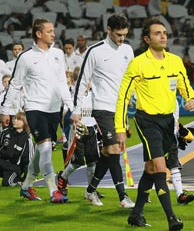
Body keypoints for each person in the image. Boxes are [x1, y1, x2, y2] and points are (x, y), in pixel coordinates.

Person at [115, 18, 191, 230]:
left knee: (150, 169)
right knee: (160, 167)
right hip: (147, 121)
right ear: (147, 39)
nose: (163, 36)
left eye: (165, 32)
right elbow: (123, 97)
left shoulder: (175, 61)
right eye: (158, 33)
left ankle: (136, 214)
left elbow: (185, 86)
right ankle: (172, 219)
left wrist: (191, 98)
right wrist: (120, 128)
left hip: (168, 121)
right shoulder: (138, 63)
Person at [0, 18, 71, 203]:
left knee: (41, 150)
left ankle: (26, 187)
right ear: (39, 34)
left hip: (54, 109)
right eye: (49, 31)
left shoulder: (58, 54)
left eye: (53, 30)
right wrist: (5, 109)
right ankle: (53, 190)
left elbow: (62, 82)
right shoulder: (26, 57)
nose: (53, 34)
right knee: (46, 147)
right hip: (34, 108)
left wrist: (71, 106)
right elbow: (15, 84)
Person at [70, 14, 135, 208]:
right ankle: (123, 197)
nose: (122, 38)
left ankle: (90, 191)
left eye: (124, 35)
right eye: (118, 34)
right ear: (108, 30)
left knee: (109, 152)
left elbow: (131, 80)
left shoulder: (128, 50)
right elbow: (82, 80)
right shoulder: (95, 51)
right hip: (102, 107)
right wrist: (77, 109)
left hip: (120, 110)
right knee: (114, 149)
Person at [57, 81, 99, 197]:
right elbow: (68, 112)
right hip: (78, 130)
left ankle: (90, 191)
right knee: (77, 162)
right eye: (88, 81)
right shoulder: (76, 95)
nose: (89, 84)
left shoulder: (95, 94)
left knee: (92, 162)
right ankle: (62, 178)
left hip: (91, 130)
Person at [0, 111, 31, 187]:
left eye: (18, 119)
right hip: (3, 163)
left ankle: (21, 180)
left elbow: (29, 159)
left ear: (25, 122)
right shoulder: (6, 133)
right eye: (14, 118)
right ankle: (9, 176)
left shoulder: (27, 139)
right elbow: (1, 145)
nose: (15, 120)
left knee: (7, 183)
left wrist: (28, 175)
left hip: (14, 167)